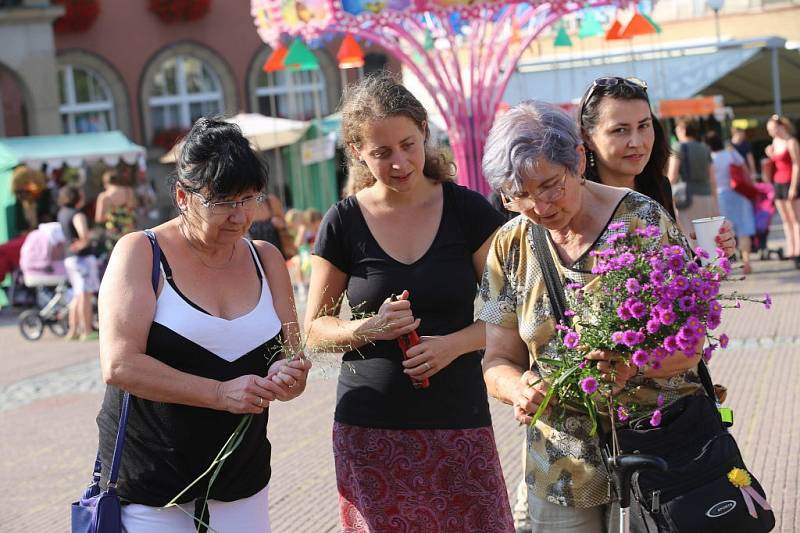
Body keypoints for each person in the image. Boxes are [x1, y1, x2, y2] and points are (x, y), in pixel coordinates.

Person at [480, 100, 704, 533]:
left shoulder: (641, 222)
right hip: (560, 468)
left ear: (579, 160)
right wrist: (517, 387)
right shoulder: (510, 245)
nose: (540, 206)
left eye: (550, 185)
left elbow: (690, 345)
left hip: (656, 456)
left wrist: (632, 364)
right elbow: (496, 360)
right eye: (520, 195)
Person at [304, 73, 514, 532]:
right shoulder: (343, 221)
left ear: (424, 131)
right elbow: (314, 330)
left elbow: (515, 310)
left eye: (408, 144)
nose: (399, 162)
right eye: (381, 152)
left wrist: (454, 344)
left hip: (460, 420)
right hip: (369, 432)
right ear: (358, 151)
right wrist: (368, 329)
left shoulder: (468, 211)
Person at [96, 117, 311, 532]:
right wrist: (218, 393)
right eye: (223, 201)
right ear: (182, 195)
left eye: (249, 199)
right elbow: (119, 365)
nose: (239, 215)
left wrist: (288, 378)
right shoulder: (141, 252)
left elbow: (293, 359)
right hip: (153, 485)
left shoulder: (266, 258)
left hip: (241, 477)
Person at [578, 77, 735, 256]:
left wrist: (715, 253)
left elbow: (674, 274)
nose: (636, 142)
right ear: (588, 137)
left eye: (644, 126)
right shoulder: (575, 201)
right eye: (620, 130)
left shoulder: (658, 187)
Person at [705, 131, 755, 274]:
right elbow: (745, 169)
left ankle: (725, 264)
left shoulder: (711, 158)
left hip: (721, 197)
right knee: (744, 229)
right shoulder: (732, 154)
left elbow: (711, 181)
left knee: (724, 232)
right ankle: (747, 262)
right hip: (739, 194)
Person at [58, 185, 100, 341]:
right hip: (82, 258)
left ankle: (73, 330)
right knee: (84, 294)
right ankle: (87, 330)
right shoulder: (77, 214)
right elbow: (84, 236)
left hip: (70, 257)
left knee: (77, 294)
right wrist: (90, 237)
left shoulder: (62, 213)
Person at [667, 118, 720, 236]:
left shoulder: (678, 147)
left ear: (683, 129)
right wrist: (716, 204)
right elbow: (712, 179)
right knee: (706, 236)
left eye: (677, 130)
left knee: (689, 236)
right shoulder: (705, 148)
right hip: (707, 197)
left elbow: (672, 175)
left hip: (686, 198)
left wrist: (665, 197)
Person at [765, 114, 800, 266]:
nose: (772, 132)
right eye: (770, 130)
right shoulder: (775, 142)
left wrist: (794, 186)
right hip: (778, 182)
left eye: (773, 129)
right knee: (785, 219)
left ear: (781, 127)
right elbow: (774, 162)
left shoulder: (791, 142)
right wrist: (769, 153)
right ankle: (790, 249)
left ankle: (798, 249)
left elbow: (796, 165)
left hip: (789, 182)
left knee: (795, 218)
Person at [95, 169, 138, 252]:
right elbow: (133, 207)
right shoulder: (129, 191)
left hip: (114, 232)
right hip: (129, 229)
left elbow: (99, 218)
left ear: (105, 182)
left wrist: (112, 215)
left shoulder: (104, 196)